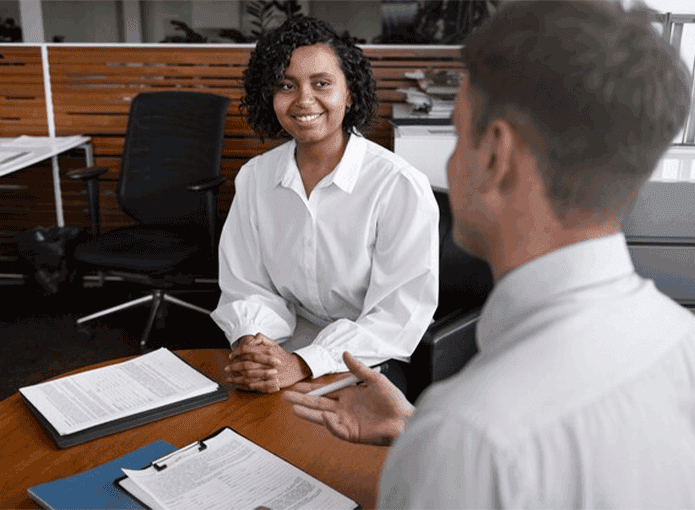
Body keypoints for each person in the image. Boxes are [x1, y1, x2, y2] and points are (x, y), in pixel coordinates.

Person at [284, 1, 695, 507]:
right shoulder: (683, 342)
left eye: (459, 135)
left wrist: (437, 449)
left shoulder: (468, 435)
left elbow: (487, 449)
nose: (451, 167)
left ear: (496, 156)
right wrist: (414, 431)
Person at [211, 16, 439, 394]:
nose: (303, 100)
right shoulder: (256, 178)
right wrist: (254, 342)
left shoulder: (398, 186)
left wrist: (304, 363)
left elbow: (397, 315)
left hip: (366, 360)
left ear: (349, 93)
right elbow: (246, 284)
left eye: (322, 83)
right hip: (283, 349)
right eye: (287, 85)